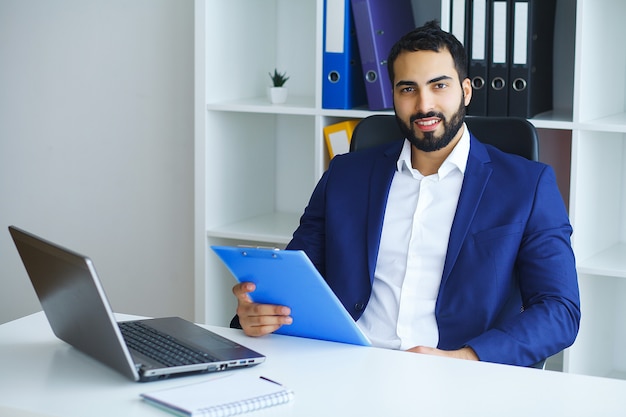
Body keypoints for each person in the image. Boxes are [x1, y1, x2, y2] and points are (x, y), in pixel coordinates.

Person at [231, 20, 580, 366]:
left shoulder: (527, 186)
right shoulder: (345, 175)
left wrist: (466, 358)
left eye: (439, 85)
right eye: (408, 89)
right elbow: (296, 281)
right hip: (344, 365)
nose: (424, 105)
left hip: (454, 372)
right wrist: (256, 312)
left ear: (467, 91)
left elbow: (559, 310)